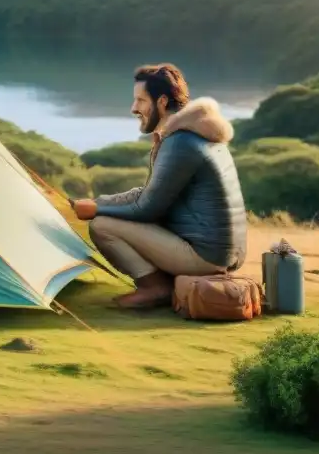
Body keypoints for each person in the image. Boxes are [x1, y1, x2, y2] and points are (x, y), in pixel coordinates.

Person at [70, 63, 247, 309]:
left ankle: (155, 288)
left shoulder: (180, 142)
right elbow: (149, 194)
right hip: (225, 253)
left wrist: (96, 211)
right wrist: (100, 202)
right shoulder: (197, 133)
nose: (134, 109)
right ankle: (165, 282)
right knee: (109, 216)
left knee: (103, 226)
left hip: (204, 255)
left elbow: (147, 209)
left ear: (162, 101)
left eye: (141, 101)